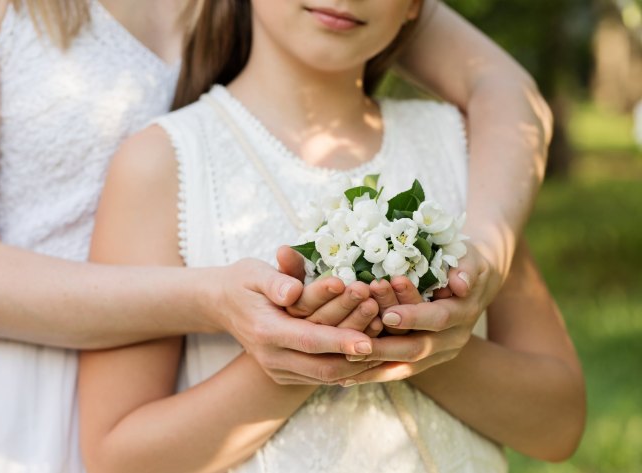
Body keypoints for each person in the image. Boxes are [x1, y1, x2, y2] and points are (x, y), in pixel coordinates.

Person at [0, 0, 553, 470]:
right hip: (18, 393)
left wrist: (480, 263)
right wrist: (217, 301)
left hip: (199, 384)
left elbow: (506, 90)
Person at [77, 0, 585, 471]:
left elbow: (559, 425)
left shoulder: (467, 149)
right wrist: (303, 350)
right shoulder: (163, 165)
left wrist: (421, 338)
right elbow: (115, 457)